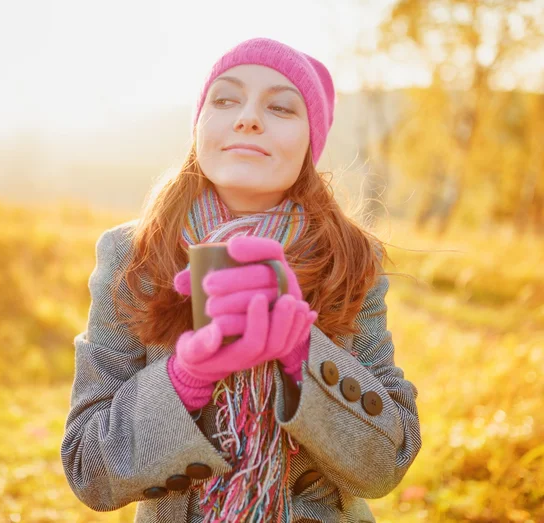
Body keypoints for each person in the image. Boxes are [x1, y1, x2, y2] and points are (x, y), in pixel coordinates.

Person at [60, 37, 422, 523]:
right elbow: (88, 470)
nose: (247, 117)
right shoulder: (133, 255)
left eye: (281, 107)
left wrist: (304, 356)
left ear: (309, 143)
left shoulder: (351, 259)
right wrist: (184, 379)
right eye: (225, 99)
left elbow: (386, 465)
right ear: (199, 126)